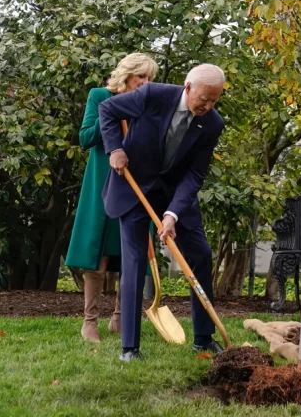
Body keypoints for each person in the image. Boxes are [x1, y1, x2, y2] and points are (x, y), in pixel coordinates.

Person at [99, 63, 225, 362]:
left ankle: (204, 339)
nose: (207, 106)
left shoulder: (212, 124)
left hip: (174, 196)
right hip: (135, 188)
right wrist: (114, 148)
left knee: (200, 255)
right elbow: (108, 110)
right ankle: (130, 348)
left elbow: (194, 175)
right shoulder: (152, 95)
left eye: (214, 101)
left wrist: (172, 215)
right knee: (134, 261)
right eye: (203, 99)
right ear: (188, 87)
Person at [65, 53, 158, 343]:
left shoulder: (148, 103)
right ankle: (89, 321)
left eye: (150, 79)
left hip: (136, 182)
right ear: (126, 75)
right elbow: (85, 138)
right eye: (140, 77)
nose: (145, 83)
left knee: (131, 250)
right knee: (99, 251)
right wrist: (113, 112)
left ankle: (119, 318)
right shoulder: (100, 96)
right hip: (102, 181)